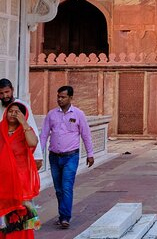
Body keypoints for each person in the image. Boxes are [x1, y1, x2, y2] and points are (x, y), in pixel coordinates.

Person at [39, 86, 94, 230]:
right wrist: (38, 155)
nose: (59, 99)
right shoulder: (51, 115)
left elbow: (86, 135)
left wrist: (90, 154)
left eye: (63, 97)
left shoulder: (78, 114)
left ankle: (65, 217)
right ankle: (62, 214)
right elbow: (44, 135)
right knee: (58, 189)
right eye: (58, 96)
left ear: (70, 98)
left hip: (71, 156)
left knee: (67, 186)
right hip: (55, 157)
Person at [0, 102, 41, 239]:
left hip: (21, 184)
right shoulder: (0, 130)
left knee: (21, 220)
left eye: (17, 112)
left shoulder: (25, 131)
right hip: (2, 183)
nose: (13, 113)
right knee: (3, 219)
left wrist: (24, 124)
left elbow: (32, 143)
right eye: (11, 111)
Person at [0, 79, 42, 169]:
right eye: (1, 93)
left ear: (12, 90)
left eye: (7, 92)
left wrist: (38, 156)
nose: (5, 96)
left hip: (19, 156)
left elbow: (32, 129)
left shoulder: (22, 106)